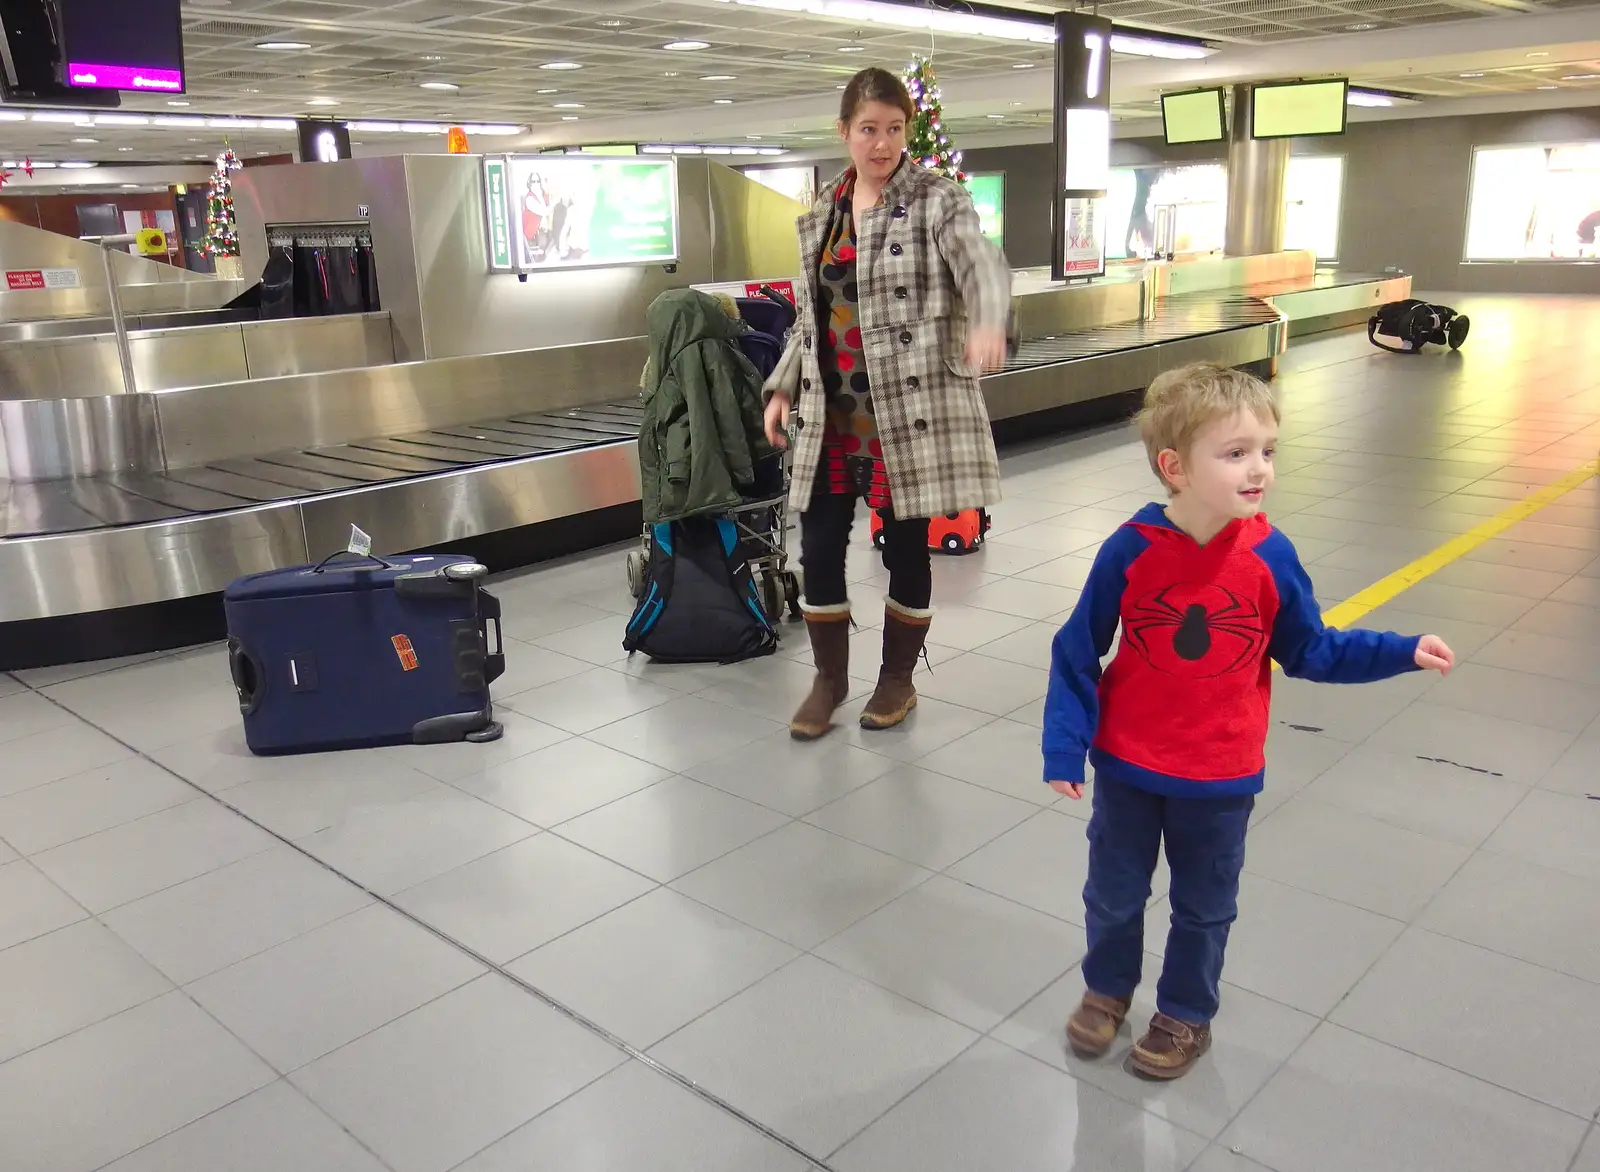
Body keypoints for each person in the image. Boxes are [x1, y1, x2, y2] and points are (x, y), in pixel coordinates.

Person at [1043, 362, 1456, 1080]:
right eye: (1235, 454)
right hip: (1130, 765)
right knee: (1112, 892)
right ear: (1175, 467)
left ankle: (1186, 1014)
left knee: (1205, 906)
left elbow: (1311, 649)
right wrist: (1065, 743)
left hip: (1221, 774)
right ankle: (1107, 989)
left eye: (1268, 450)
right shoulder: (1130, 550)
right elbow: (1079, 647)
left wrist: (1400, 651)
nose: (1259, 468)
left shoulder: (1270, 555)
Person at [763, 66, 1011, 740]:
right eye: (868, 129)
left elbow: (982, 266)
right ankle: (829, 680)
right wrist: (783, 386)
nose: (881, 143)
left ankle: (897, 679)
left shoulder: (937, 199)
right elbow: (811, 319)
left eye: (894, 129)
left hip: (906, 415)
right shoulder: (821, 215)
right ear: (844, 132)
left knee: (906, 548)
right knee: (817, 549)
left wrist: (988, 318)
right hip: (832, 417)